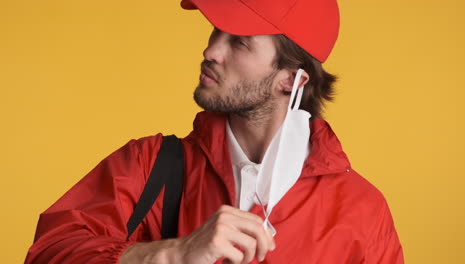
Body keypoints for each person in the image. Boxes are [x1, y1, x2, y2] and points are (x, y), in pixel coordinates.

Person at [25, 0, 404, 263]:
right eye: (215, 32)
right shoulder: (147, 165)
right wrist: (172, 255)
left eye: (239, 42)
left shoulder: (361, 212)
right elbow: (48, 252)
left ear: (291, 79)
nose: (211, 51)